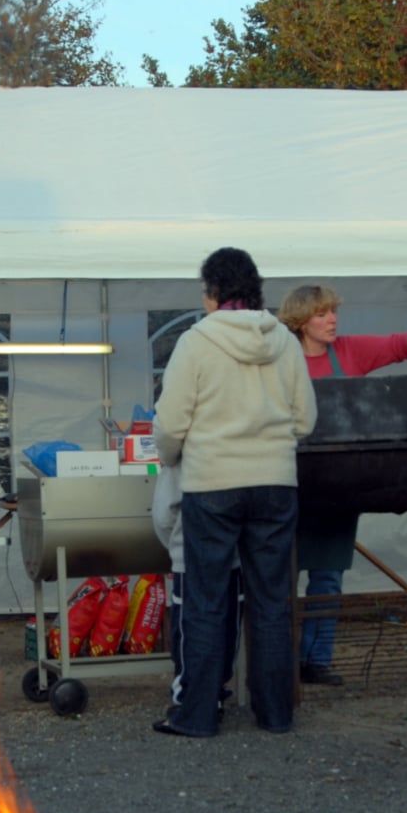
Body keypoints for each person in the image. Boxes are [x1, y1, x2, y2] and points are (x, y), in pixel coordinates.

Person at [153, 247, 316, 737]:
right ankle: (275, 714)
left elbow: (171, 423)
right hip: (275, 486)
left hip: (213, 485)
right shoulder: (284, 341)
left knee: (206, 600)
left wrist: (171, 455)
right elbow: (305, 419)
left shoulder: (196, 341)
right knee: (270, 601)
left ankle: (198, 715)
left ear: (212, 293)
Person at [277, 284, 407, 686]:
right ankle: (282, 662)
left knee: (328, 577)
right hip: (290, 486)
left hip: (339, 487)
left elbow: (395, 345)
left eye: (333, 312)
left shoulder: (350, 351)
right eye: (322, 314)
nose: (332, 319)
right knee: (282, 578)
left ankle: (315, 662)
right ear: (301, 320)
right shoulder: (280, 361)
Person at [151, 458, 238, 722]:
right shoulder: (239, 450)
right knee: (228, 628)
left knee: (189, 629)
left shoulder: (181, 454)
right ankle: (218, 691)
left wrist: (174, 549)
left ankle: (189, 698)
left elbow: (164, 515)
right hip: (234, 559)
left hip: (189, 558)